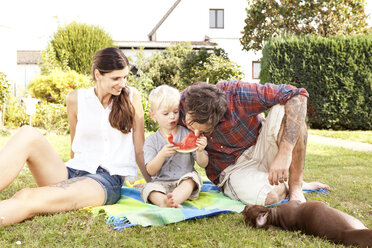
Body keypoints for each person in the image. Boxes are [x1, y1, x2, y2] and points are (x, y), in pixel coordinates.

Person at [0, 47, 150, 226]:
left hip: (104, 181)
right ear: (98, 74)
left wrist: (153, 185)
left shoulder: (132, 97)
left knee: (27, 196)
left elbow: (140, 150)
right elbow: (74, 148)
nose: (122, 83)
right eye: (116, 78)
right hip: (72, 171)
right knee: (27, 133)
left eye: (125, 77)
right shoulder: (76, 99)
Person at [179, 81, 330, 206]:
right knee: (271, 196)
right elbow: (160, 112)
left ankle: (296, 186)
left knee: (290, 108)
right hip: (232, 169)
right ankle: (289, 184)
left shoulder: (238, 95)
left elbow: (299, 94)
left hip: (261, 146)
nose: (197, 134)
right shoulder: (180, 102)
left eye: (205, 130)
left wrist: (284, 153)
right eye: (191, 125)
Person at [142, 85, 208, 208]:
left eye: (176, 112)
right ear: (153, 116)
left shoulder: (188, 133)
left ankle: (173, 201)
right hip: (160, 184)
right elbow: (150, 170)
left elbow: (203, 164)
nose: (172, 116)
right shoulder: (151, 141)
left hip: (183, 180)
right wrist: (161, 155)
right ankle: (163, 201)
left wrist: (200, 151)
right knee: (149, 188)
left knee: (191, 179)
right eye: (166, 113)